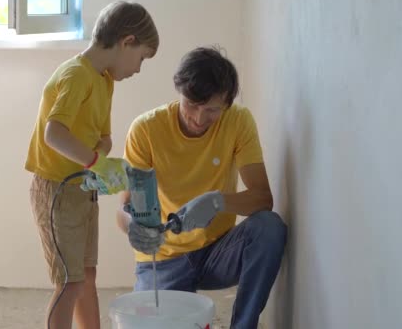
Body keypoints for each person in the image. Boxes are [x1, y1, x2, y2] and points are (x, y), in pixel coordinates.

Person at [116, 47, 287, 329]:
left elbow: (262, 199)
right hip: (163, 258)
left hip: (217, 251)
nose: (198, 118)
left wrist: (219, 201)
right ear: (179, 91)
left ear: (227, 105)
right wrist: (134, 225)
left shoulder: (238, 121)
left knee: (269, 227)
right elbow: (124, 207)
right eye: (191, 104)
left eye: (211, 110)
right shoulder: (146, 130)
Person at [24, 1, 159, 329]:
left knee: (85, 276)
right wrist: (96, 161)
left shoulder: (104, 80)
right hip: (56, 191)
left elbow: (104, 137)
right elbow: (53, 133)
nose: (139, 69)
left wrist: (101, 161)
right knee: (68, 281)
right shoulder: (76, 75)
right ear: (126, 41)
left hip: (83, 188)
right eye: (141, 57)